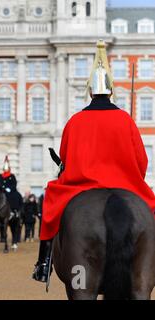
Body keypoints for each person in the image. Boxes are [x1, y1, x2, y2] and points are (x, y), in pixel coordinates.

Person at [32, 40, 155, 283]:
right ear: (111, 91)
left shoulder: (75, 121)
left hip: (81, 187)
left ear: (90, 91)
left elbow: (65, 159)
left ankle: (43, 262)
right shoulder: (125, 120)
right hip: (124, 186)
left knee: (50, 207)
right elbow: (141, 162)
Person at [0, 156, 23, 249]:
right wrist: (3, 188)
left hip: (11, 191)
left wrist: (10, 188)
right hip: (3, 192)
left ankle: (14, 211)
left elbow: (14, 184)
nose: (6, 169)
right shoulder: (1, 176)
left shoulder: (12, 176)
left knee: (14, 196)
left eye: (7, 167)